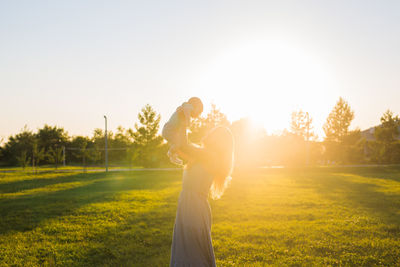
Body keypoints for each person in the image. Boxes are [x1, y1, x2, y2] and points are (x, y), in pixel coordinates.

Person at [170, 126, 234, 267]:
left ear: (219, 141)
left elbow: (184, 145)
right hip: (187, 204)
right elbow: (182, 149)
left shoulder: (210, 156)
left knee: (194, 251)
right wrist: (174, 150)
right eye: (213, 130)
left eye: (215, 133)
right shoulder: (203, 155)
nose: (210, 132)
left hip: (195, 208)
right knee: (186, 249)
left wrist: (184, 120)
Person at [162, 97, 203, 165]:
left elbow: (184, 139)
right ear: (196, 105)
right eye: (199, 111)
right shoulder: (188, 106)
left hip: (171, 130)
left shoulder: (182, 114)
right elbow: (187, 110)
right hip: (169, 129)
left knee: (178, 145)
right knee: (178, 144)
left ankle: (173, 156)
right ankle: (170, 153)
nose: (198, 114)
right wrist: (188, 120)